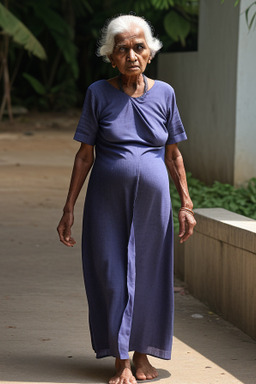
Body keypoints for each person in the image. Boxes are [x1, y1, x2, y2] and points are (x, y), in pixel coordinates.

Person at [57, 14, 196, 384]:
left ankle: (142, 354)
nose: (132, 55)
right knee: (110, 275)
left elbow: (173, 154)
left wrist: (186, 203)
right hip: (106, 202)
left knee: (150, 276)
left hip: (153, 206)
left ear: (150, 52)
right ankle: (119, 360)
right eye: (123, 49)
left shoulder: (165, 93)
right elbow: (85, 154)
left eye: (139, 47)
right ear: (111, 56)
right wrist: (69, 206)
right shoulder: (98, 93)